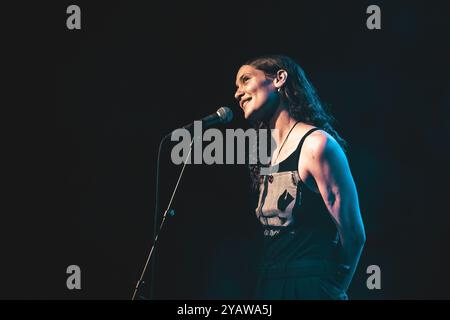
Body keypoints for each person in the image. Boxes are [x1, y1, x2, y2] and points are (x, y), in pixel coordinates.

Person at [234, 54, 366, 299]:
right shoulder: (266, 156)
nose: (237, 93)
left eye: (245, 80)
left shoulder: (318, 145)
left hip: (310, 286)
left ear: (279, 79)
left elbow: (353, 233)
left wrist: (334, 289)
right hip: (269, 285)